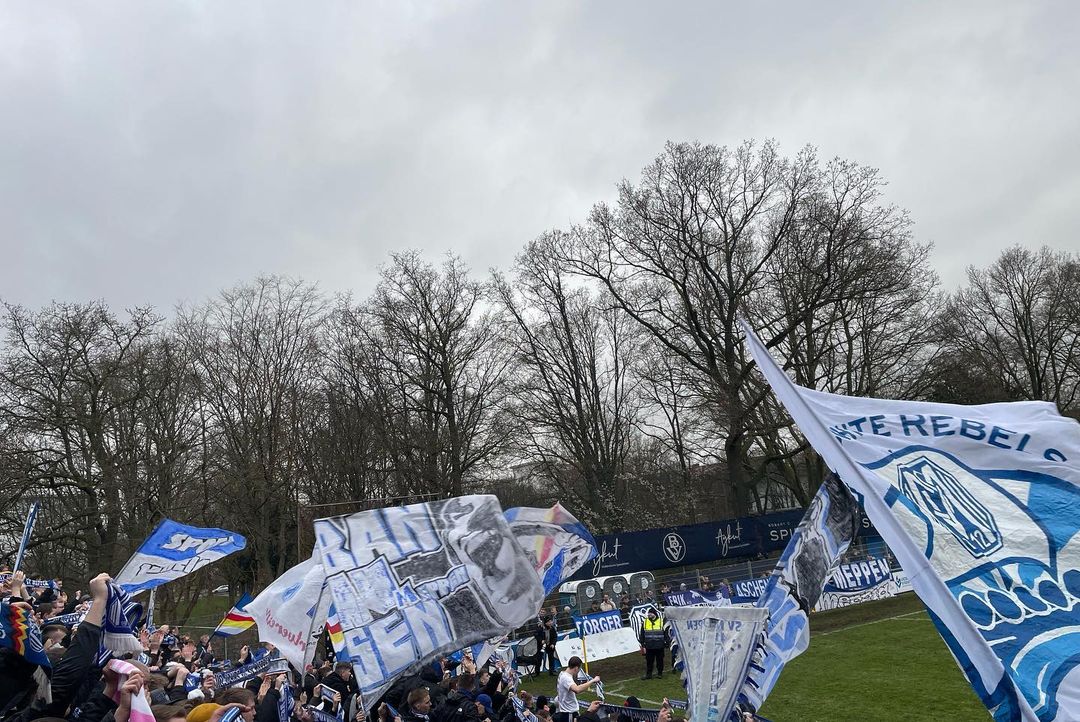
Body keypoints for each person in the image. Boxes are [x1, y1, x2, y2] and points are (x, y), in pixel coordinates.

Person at [555, 656, 599, 722]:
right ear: (576, 668)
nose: (578, 672)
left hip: (568, 712)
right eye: (579, 669)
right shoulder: (566, 678)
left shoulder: (562, 674)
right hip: (569, 713)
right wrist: (593, 681)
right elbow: (577, 689)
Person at [638, 608, 668, 679]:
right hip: (649, 645)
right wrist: (642, 642)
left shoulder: (661, 621)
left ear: (654, 614)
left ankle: (660, 673)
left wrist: (667, 641)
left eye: (650, 613)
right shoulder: (645, 622)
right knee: (649, 661)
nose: (649, 614)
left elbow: (665, 633)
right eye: (648, 613)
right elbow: (642, 633)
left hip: (659, 645)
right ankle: (649, 674)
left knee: (660, 660)